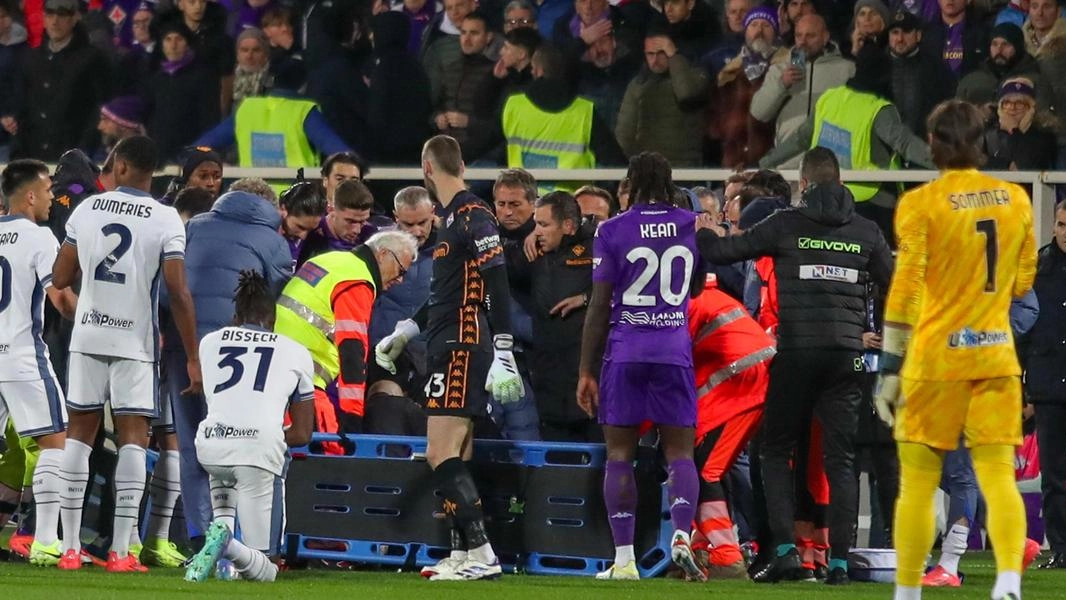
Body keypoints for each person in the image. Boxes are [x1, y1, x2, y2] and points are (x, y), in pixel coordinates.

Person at [697, 147, 894, 585]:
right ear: (840, 182)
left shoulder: (787, 224)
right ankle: (837, 563)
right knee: (839, 461)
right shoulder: (866, 230)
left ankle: (786, 550)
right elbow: (894, 284)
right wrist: (870, 325)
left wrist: (706, 233)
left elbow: (730, 251)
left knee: (775, 450)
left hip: (797, 352)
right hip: (847, 356)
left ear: (803, 185)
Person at [873, 100, 1037, 600]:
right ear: (981, 143)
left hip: (935, 360)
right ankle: (1008, 580)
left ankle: (907, 591)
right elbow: (1024, 280)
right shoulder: (1016, 200)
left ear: (934, 145)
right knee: (997, 476)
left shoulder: (921, 204)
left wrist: (890, 370)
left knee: (919, 482)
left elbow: (903, 294)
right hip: (994, 357)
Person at [51, 136, 203, 572]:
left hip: (88, 336)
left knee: (79, 435)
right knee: (134, 438)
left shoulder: (87, 209)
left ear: (117, 166)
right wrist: (192, 356)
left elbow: (62, 276)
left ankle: (70, 550)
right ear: (151, 171)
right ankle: (121, 550)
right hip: (135, 342)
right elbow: (178, 292)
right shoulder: (165, 218)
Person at [375, 135, 523, 580]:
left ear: (427, 166)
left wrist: (504, 345)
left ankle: (481, 553)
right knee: (457, 449)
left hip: (461, 344)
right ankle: (461, 552)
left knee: (439, 451)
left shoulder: (471, 214)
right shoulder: (452, 221)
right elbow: (445, 293)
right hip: (447, 339)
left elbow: (496, 276)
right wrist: (407, 330)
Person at [576, 151, 705, 581]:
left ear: (629, 183)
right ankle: (683, 533)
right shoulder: (690, 226)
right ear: (671, 183)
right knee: (680, 453)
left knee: (619, 455)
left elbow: (598, 306)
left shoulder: (612, 229)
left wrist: (585, 370)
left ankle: (625, 560)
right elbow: (699, 282)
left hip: (626, 350)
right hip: (673, 351)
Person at [183, 270, 315, 583]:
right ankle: (228, 547)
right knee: (265, 567)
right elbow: (301, 433)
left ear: (235, 315)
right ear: (273, 320)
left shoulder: (210, 342)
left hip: (211, 445)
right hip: (256, 454)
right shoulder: (295, 350)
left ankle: (220, 555)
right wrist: (265, 435)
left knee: (226, 474)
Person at [0, 160, 78, 566]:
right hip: (21, 358)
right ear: (29, 195)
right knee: (54, 443)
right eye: (48, 190)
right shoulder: (41, 238)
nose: (52, 197)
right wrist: (97, 320)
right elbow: (61, 300)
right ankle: (46, 540)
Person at [276, 230, 416, 442]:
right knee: (329, 455)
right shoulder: (357, 280)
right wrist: (352, 417)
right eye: (400, 269)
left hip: (277, 380)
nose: (400, 279)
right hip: (304, 391)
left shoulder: (329, 260)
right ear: (382, 254)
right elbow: (352, 351)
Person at [687, 279, 775, 579]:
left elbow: (669, 362)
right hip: (754, 381)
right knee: (712, 468)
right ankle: (705, 547)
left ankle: (725, 555)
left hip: (742, 385)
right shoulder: (711, 297)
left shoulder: (685, 302)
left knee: (704, 472)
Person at [1028, 199, 1066, 570]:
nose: (1065, 232)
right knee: (1053, 475)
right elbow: (1024, 328)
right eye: (1061, 224)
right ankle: (1061, 549)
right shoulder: (1038, 267)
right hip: (1048, 384)